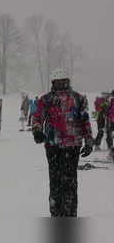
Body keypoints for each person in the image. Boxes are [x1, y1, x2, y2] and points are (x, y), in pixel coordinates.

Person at [32, 68, 94, 217]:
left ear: (67, 82)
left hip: (72, 145)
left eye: (63, 82)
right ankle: (56, 211)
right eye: (57, 82)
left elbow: (85, 119)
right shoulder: (46, 99)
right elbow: (38, 116)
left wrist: (89, 140)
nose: (60, 85)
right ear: (54, 83)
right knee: (55, 180)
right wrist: (37, 130)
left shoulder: (78, 98)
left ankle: (70, 212)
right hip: (53, 145)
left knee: (70, 181)